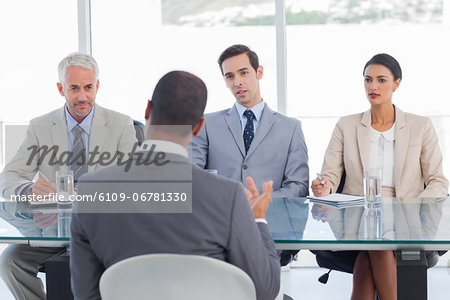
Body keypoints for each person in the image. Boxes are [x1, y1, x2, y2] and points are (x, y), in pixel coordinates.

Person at [70, 71, 281, 300]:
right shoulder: (228, 197)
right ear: (199, 127)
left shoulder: (90, 191)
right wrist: (258, 218)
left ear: (148, 110)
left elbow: (86, 294)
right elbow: (265, 290)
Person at [0, 52, 138, 300]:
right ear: (60, 89)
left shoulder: (121, 124)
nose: (82, 96)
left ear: (97, 86)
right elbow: (8, 177)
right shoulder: (41, 126)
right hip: (52, 230)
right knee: (10, 260)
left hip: (103, 233)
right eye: (74, 88)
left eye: (88, 87)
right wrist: (28, 189)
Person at [311, 53, 448, 300]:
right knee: (376, 243)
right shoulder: (347, 125)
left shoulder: (420, 126)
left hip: (407, 217)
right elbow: (330, 175)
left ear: (396, 83)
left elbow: (438, 181)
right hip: (359, 217)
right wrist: (324, 187)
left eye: (381, 80)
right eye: (367, 80)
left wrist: (411, 207)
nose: (373, 87)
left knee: (368, 258)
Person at [191, 44, 309, 199]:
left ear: (259, 72)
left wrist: (260, 201)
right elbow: (191, 177)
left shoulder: (291, 128)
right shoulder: (206, 124)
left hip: (272, 219)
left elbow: (299, 186)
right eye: (230, 76)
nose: (237, 82)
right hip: (222, 218)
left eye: (244, 73)